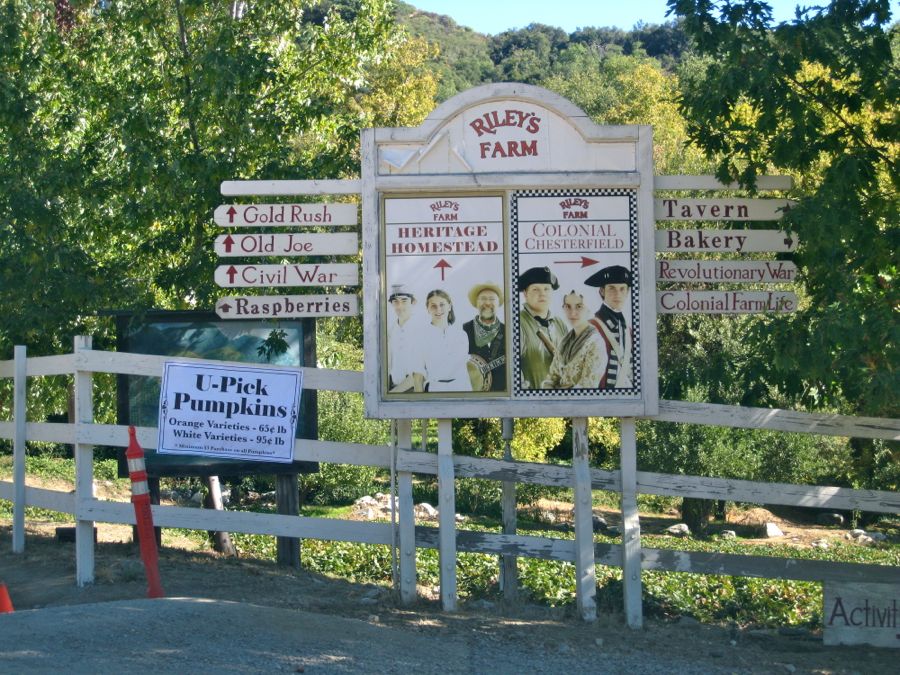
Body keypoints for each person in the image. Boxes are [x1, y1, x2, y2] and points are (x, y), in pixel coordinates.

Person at [541, 291, 608, 389]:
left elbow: (587, 387)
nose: (572, 313)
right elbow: (552, 378)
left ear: (588, 308)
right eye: (568, 306)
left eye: (579, 306)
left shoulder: (595, 343)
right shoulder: (564, 342)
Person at [517, 266, 567, 389]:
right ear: (525, 293)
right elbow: (512, 371)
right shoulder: (518, 323)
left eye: (546, 289)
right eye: (535, 289)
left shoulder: (560, 323)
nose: (542, 294)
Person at [584, 265, 633, 388]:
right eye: (612, 288)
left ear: (627, 292)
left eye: (622, 289)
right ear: (602, 291)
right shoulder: (591, 328)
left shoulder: (629, 330)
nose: (618, 294)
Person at [421, 289, 471, 392]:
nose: (438, 309)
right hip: (435, 389)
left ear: (449, 306)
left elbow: (462, 367)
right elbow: (418, 373)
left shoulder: (461, 335)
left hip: (461, 387)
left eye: (442, 305)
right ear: (428, 309)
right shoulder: (422, 336)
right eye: (433, 306)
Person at [461, 281, 506, 392]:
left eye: (492, 299)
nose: (487, 303)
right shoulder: (463, 330)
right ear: (476, 303)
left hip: (501, 395)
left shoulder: (509, 331)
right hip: (472, 395)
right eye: (483, 298)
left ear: (498, 303)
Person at [386, 284, 425, 393]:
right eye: (395, 302)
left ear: (413, 302)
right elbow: (388, 364)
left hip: (414, 391)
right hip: (393, 387)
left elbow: (420, 372)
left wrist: (392, 394)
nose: (400, 306)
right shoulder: (391, 330)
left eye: (404, 301)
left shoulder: (421, 329)